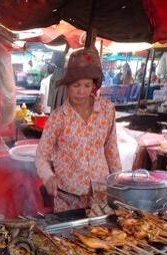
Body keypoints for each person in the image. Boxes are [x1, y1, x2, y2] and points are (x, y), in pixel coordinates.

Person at [36, 48, 121, 214]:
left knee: (101, 237)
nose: (81, 91)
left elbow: (111, 149)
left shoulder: (106, 110)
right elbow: (41, 155)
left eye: (87, 85)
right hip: (68, 197)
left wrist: (118, 182)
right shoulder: (58, 117)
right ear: (67, 86)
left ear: (94, 86)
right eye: (76, 85)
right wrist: (48, 176)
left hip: (101, 194)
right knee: (70, 238)